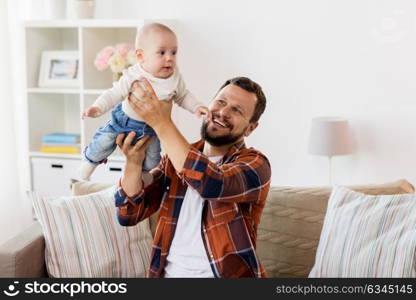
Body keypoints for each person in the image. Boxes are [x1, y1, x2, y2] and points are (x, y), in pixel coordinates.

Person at [115, 76, 271, 278]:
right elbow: (128, 214)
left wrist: (162, 123)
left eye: (237, 110)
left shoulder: (256, 165)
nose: (223, 112)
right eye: (221, 102)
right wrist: (134, 162)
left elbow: (211, 184)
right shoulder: (175, 159)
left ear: (251, 128)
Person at [78, 23, 209, 180]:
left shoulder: (175, 77)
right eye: (161, 53)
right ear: (141, 56)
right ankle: (88, 166)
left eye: (174, 52)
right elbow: (114, 93)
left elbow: (183, 95)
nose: (169, 58)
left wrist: (196, 106)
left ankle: (144, 177)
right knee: (103, 142)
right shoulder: (134, 75)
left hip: (152, 128)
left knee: (153, 159)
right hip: (123, 121)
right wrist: (97, 107)